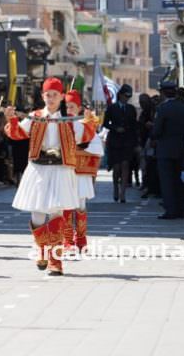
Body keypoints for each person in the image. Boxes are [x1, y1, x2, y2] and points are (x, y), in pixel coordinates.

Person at [4, 77, 95, 275]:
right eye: (48, 95)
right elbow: (18, 133)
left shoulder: (69, 118)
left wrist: (88, 120)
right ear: (42, 96)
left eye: (55, 95)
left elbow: (85, 136)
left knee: (56, 213)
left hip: (61, 168)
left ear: (61, 96)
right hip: (39, 168)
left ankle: (56, 261)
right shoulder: (35, 115)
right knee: (37, 214)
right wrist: (11, 118)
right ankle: (42, 250)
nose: (51, 98)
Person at [62, 90, 102, 252]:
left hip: (80, 172)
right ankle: (67, 241)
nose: (69, 109)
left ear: (79, 108)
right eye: (67, 106)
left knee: (80, 206)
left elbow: (96, 148)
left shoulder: (86, 125)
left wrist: (74, 150)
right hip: (64, 171)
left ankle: (81, 239)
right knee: (65, 205)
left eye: (72, 106)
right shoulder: (60, 123)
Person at [154, 81, 184, 219]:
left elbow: (157, 130)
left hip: (165, 148)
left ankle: (171, 210)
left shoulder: (163, 109)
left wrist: (152, 132)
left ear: (163, 93)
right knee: (178, 180)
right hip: (180, 147)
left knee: (167, 181)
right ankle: (181, 209)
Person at [103, 84, 138, 203]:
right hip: (115, 141)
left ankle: (123, 193)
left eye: (129, 96)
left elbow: (134, 126)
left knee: (125, 166)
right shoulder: (112, 108)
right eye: (125, 95)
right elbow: (106, 123)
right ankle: (115, 188)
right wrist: (115, 128)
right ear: (120, 95)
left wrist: (135, 142)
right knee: (116, 168)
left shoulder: (131, 109)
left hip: (127, 141)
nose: (127, 98)